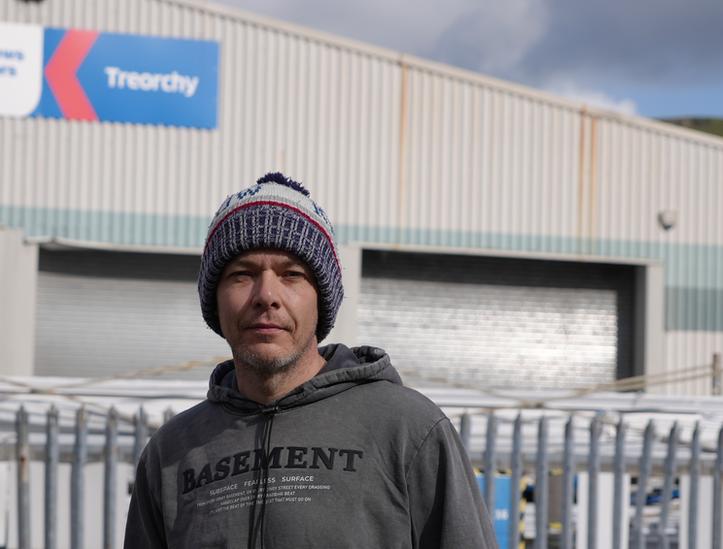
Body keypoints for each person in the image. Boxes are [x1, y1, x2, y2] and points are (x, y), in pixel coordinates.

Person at [124, 172, 498, 548]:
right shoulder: (170, 454)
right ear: (214, 302)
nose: (266, 295)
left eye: (292, 275)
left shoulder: (408, 430)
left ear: (321, 301)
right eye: (242, 275)